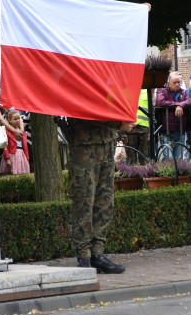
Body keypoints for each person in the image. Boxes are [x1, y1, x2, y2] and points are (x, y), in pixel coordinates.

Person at [58, 116, 135, 274]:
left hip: (105, 145)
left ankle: (97, 255)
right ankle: (84, 257)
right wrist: (119, 123)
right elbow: (89, 109)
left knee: (104, 203)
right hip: (84, 147)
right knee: (84, 204)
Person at [156, 72, 191, 159]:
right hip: (167, 130)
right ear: (168, 83)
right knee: (168, 157)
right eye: (174, 82)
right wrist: (177, 105)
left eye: (179, 82)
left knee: (178, 157)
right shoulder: (162, 90)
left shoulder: (184, 92)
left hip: (181, 129)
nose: (177, 84)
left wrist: (181, 105)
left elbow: (190, 101)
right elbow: (161, 102)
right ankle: (168, 172)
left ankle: (178, 172)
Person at [0, 109, 30, 174]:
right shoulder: (6, 131)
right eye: (15, 119)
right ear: (9, 120)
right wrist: (7, 158)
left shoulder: (22, 131)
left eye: (18, 118)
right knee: (12, 173)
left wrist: (27, 157)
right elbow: (5, 146)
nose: (17, 120)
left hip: (21, 154)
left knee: (21, 173)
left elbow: (25, 145)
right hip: (12, 155)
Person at [125, 89, 150, 164]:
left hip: (144, 128)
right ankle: (132, 174)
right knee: (131, 159)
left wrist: (151, 130)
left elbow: (152, 110)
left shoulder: (147, 91)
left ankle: (144, 174)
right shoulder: (127, 90)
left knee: (144, 158)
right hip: (130, 129)